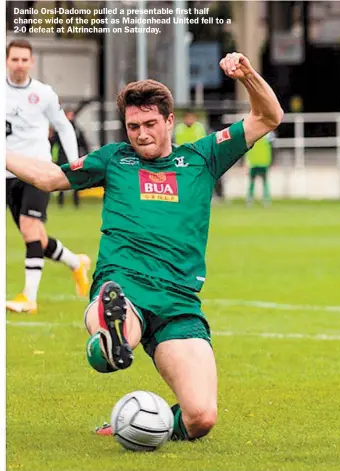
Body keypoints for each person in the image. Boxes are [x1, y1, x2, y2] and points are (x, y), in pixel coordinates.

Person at [6, 52, 283, 440]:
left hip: (179, 302)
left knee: (201, 417)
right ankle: (110, 334)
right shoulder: (113, 159)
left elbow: (269, 117)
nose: (141, 134)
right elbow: (50, 177)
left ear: (170, 121)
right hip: (124, 283)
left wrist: (249, 75)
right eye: (133, 126)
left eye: (150, 123)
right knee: (117, 335)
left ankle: (142, 421)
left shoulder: (203, 157)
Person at [6, 39, 91, 314]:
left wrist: (74, 165)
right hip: (7, 173)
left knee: (30, 228)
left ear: (31, 62)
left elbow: (64, 128)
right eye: (14, 59)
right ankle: (76, 263)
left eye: (23, 59)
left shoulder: (43, 93)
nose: (19, 64)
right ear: (7, 61)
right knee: (36, 239)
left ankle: (29, 298)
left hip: (39, 171)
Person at [50, 109, 90, 207]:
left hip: (75, 158)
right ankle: (60, 201)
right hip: (62, 157)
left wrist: (86, 155)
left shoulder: (77, 130)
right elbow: (53, 143)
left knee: (76, 178)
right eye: (69, 115)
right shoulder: (60, 130)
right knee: (61, 178)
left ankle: (76, 201)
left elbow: (83, 143)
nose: (71, 117)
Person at [245, 131, 274, 206]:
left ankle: (250, 199)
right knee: (263, 182)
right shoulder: (269, 134)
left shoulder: (252, 134)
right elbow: (272, 148)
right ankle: (266, 199)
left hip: (255, 162)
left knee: (253, 182)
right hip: (261, 162)